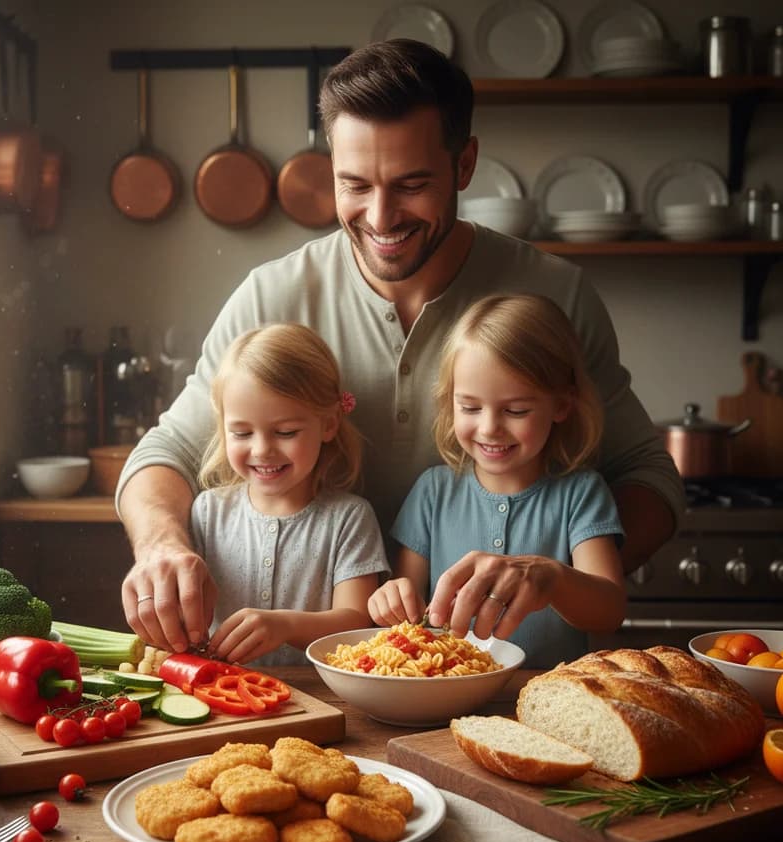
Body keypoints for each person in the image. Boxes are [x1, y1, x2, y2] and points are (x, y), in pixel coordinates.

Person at [117, 38, 683, 654]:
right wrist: (162, 545)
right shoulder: (271, 294)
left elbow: (648, 478)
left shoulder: (555, 294)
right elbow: (167, 452)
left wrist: (554, 574)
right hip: (322, 673)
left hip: (502, 663)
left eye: (411, 185)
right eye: (354, 185)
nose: (381, 217)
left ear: (464, 165)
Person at [368, 294, 626, 668]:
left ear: (561, 405)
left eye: (516, 410)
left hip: (550, 695)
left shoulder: (581, 493)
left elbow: (608, 611)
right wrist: (390, 597)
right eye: (470, 408)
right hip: (448, 694)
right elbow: (408, 606)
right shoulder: (433, 491)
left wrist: (552, 579)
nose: (490, 428)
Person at [182, 322, 388, 667]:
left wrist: (285, 625)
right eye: (242, 432)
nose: (262, 450)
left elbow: (356, 623)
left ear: (329, 424)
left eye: (285, 432)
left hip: (322, 699)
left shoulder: (349, 518)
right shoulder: (208, 512)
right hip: (222, 694)